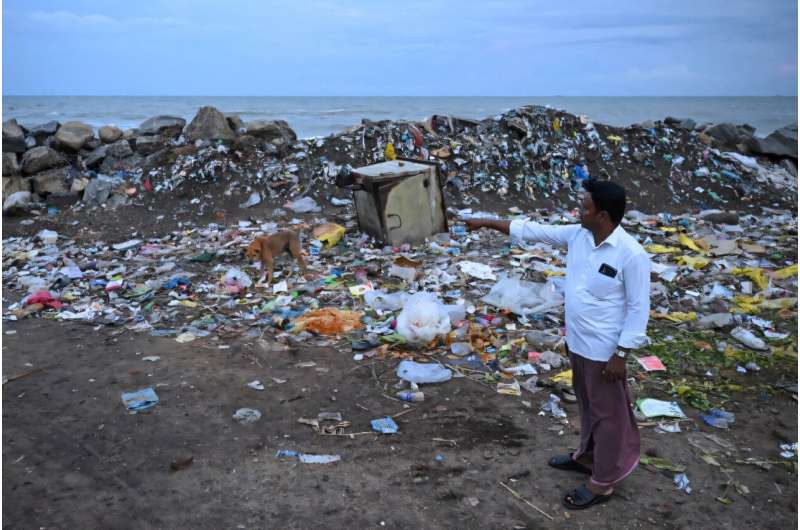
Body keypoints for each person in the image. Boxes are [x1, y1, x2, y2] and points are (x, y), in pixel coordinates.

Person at [465, 179, 650, 510]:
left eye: (586, 205)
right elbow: (533, 230)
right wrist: (486, 222)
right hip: (578, 343)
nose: (580, 208)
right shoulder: (578, 235)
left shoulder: (631, 255)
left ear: (603, 215)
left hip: (606, 353)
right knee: (588, 406)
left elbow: (639, 310)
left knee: (610, 417)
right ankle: (587, 457)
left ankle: (603, 481)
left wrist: (621, 354)